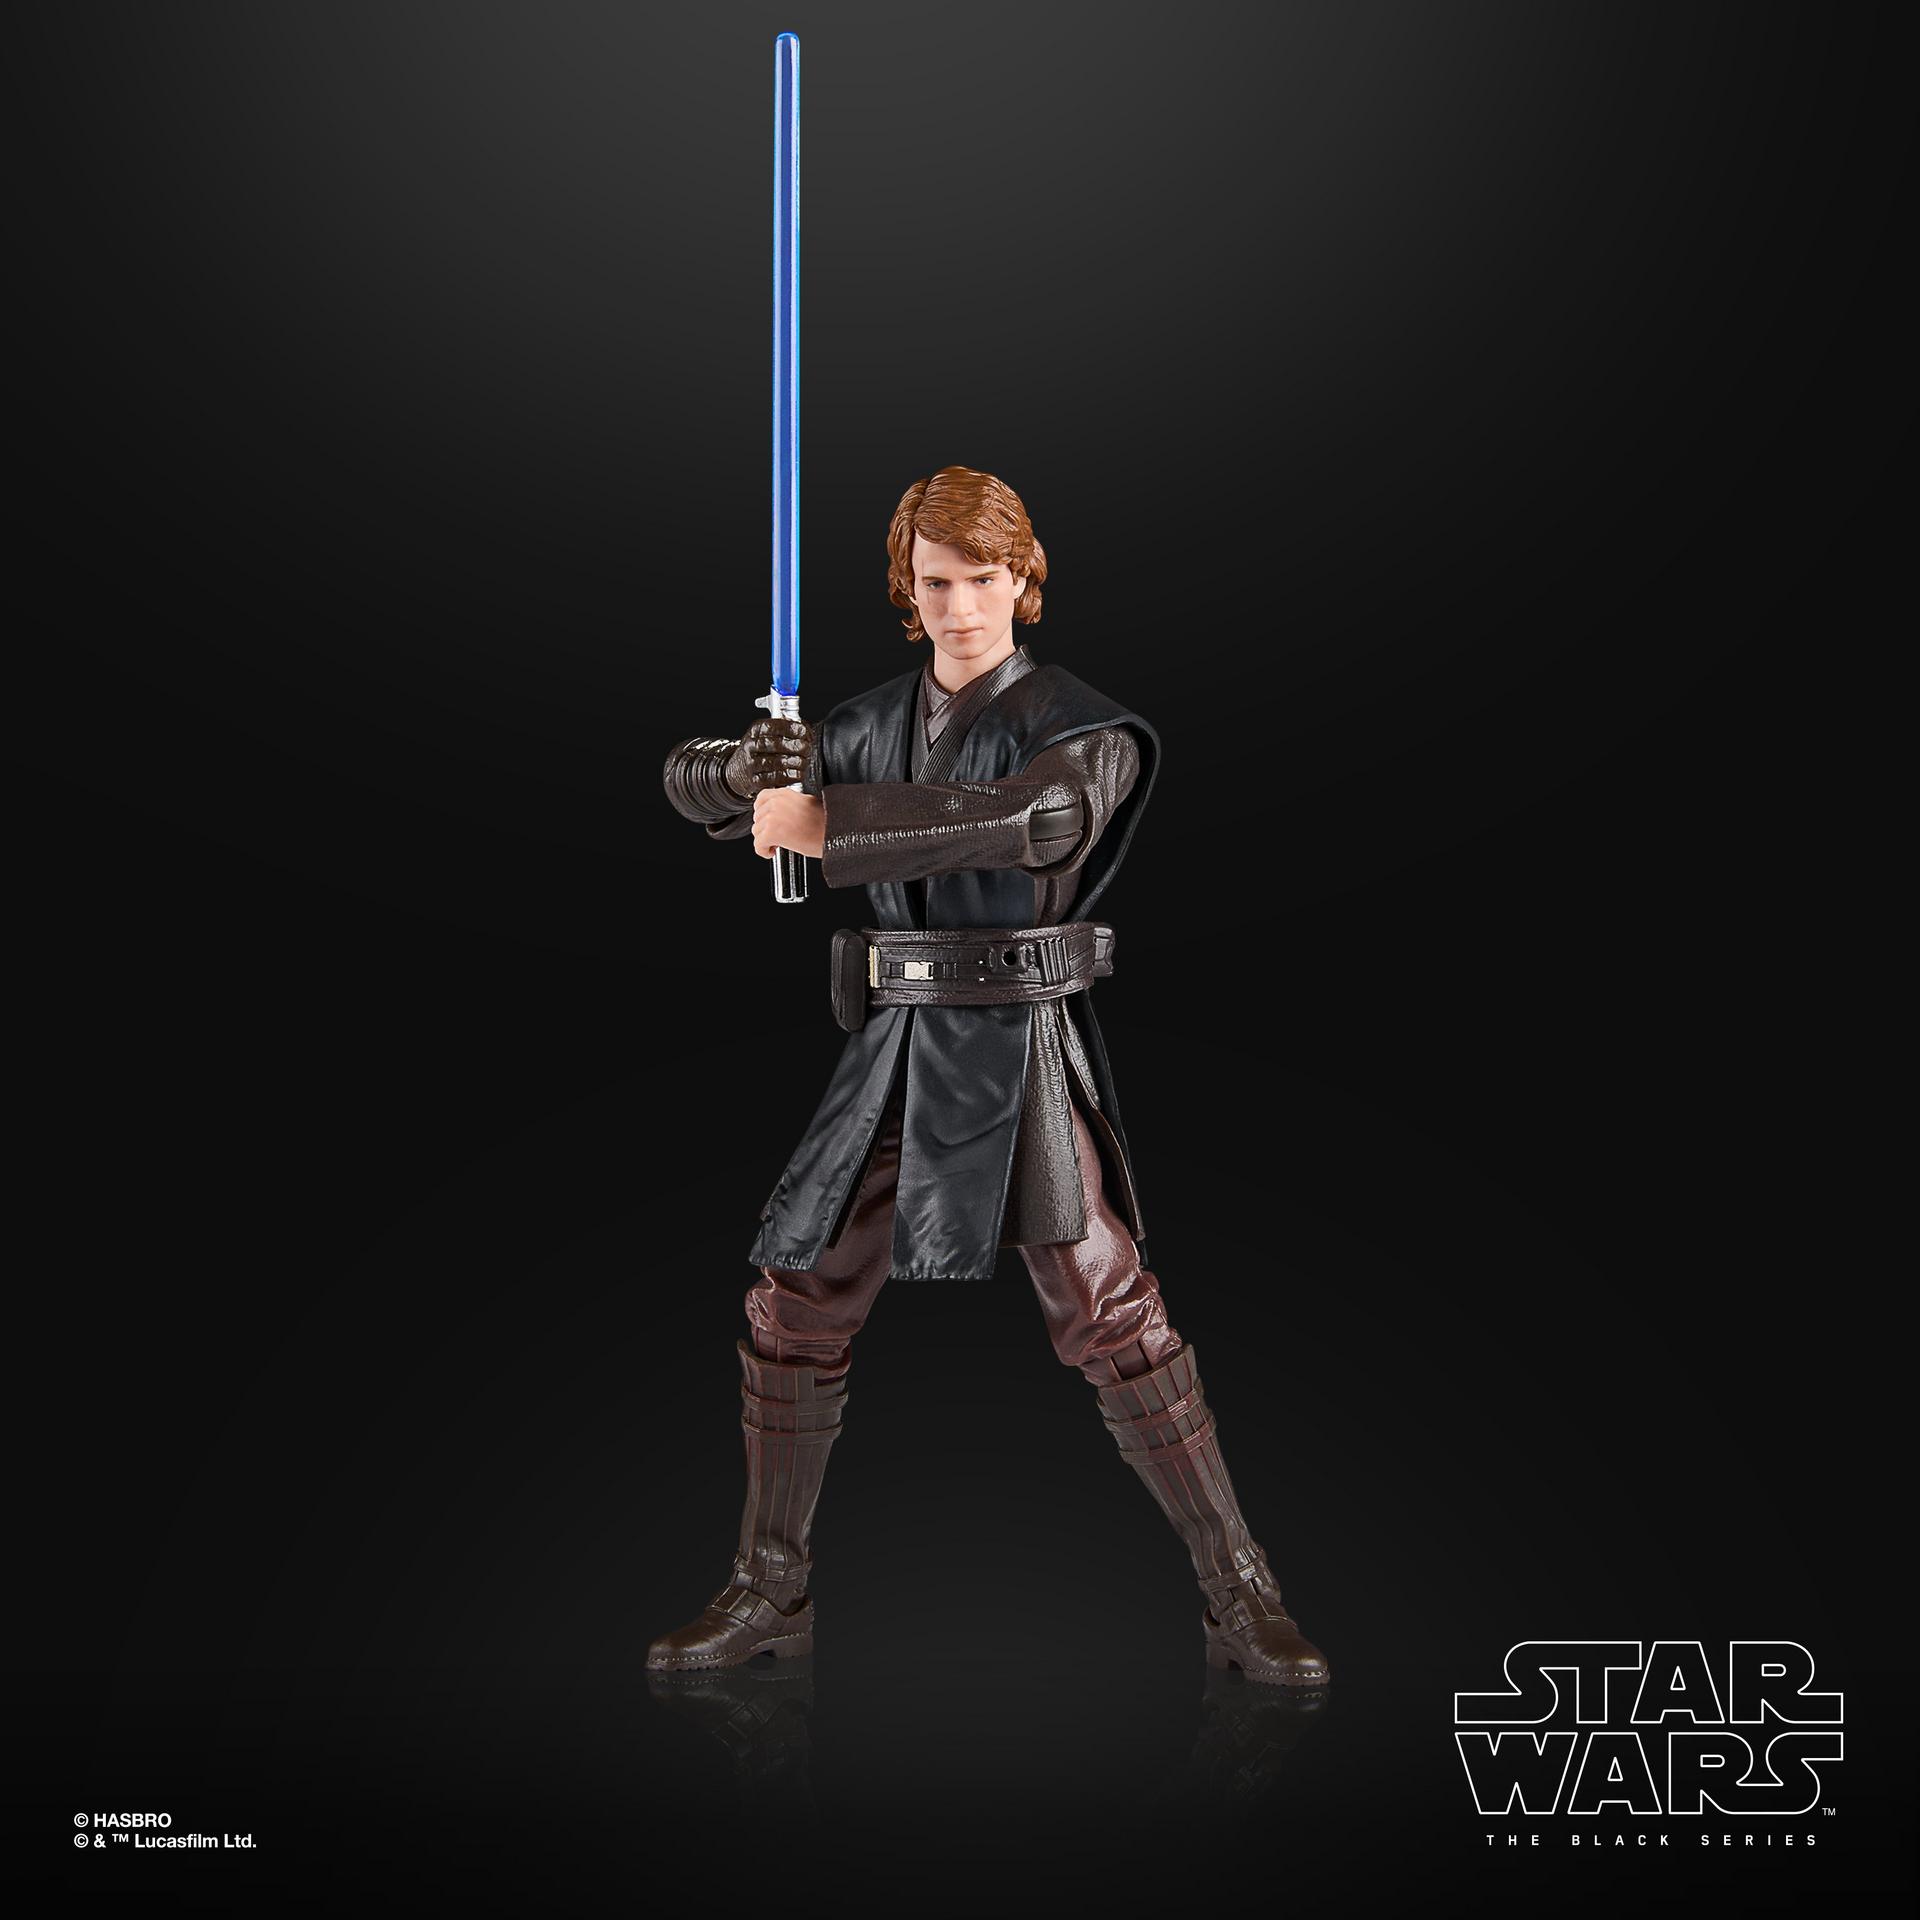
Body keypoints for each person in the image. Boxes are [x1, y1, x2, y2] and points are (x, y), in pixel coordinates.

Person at [650, 465, 1327, 1687]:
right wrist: (745, 767)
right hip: (898, 1047)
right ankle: (768, 1586)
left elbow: (1029, 825)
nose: (960, 608)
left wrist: (827, 827)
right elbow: (691, 789)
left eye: (981, 579)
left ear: (1023, 578)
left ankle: (1241, 1591)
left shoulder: (1083, 726)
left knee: (1113, 1315)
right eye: (935, 584)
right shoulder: (864, 724)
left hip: (1016, 1048)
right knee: (795, 1303)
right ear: (907, 591)